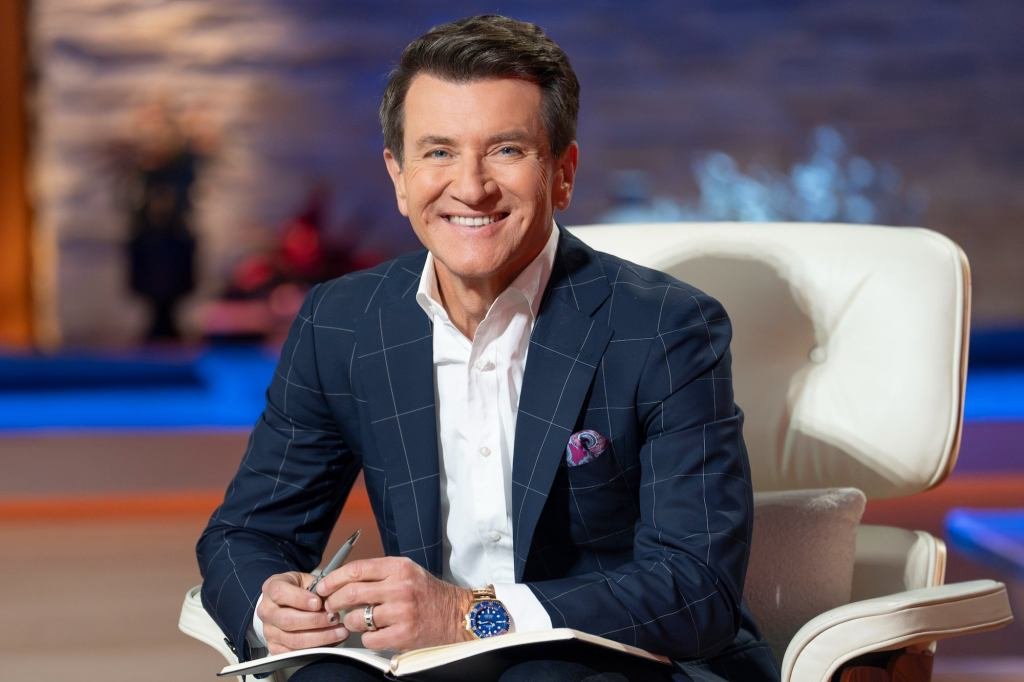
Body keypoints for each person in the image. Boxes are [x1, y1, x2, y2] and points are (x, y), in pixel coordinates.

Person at [197, 15, 778, 681]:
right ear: (398, 176)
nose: (470, 187)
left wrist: (466, 613)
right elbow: (247, 534)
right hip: (430, 662)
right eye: (438, 153)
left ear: (563, 173)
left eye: (506, 150)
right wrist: (270, 608)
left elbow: (695, 589)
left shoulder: (666, 327)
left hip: (616, 658)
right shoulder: (343, 322)